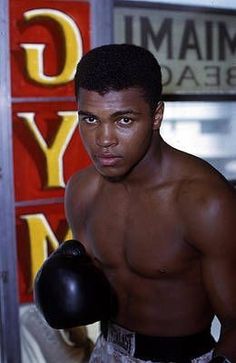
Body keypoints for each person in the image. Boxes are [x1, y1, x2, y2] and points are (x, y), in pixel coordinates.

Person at [35, 44, 236, 363]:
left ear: (156, 115)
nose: (103, 140)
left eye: (124, 120)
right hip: (105, 351)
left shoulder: (203, 202)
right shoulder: (82, 190)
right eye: (89, 119)